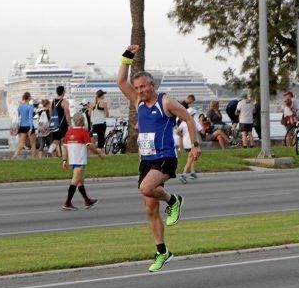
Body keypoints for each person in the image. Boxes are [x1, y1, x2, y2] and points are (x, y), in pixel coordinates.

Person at [117, 44, 201, 272]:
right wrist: (127, 57)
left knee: (145, 187)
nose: (140, 90)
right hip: (146, 160)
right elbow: (121, 82)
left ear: (152, 85)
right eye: (138, 87)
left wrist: (194, 145)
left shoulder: (165, 102)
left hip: (165, 156)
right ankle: (162, 251)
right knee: (150, 209)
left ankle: (174, 200)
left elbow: (188, 119)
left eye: (143, 86)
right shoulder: (138, 102)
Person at [61, 113, 104, 211]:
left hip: (73, 160)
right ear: (82, 121)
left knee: (80, 181)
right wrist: (99, 153)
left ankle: (87, 200)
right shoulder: (83, 132)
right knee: (75, 181)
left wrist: (64, 159)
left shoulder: (68, 132)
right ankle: (67, 203)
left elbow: (64, 147)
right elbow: (90, 146)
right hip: (80, 160)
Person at [177, 108, 200, 183]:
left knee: (194, 155)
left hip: (186, 143)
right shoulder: (194, 122)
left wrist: (182, 135)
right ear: (193, 115)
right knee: (192, 157)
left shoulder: (183, 122)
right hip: (193, 142)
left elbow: (177, 131)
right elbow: (202, 131)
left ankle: (192, 172)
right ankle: (183, 174)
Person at [12, 92, 37, 159]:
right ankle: (33, 157)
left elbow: (19, 116)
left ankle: (14, 157)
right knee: (33, 143)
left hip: (22, 126)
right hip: (29, 126)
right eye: (30, 96)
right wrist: (31, 128)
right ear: (29, 97)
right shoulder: (30, 107)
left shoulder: (20, 106)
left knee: (21, 144)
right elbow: (30, 118)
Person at [49, 85, 71, 157]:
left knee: (56, 140)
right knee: (65, 140)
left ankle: (49, 152)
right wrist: (69, 124)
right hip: (63, 123)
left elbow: (51, 113)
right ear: (63, 92)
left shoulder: (53, 101)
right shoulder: (64, 101)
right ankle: (65, 156)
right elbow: (67, 113)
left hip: (55, 124)